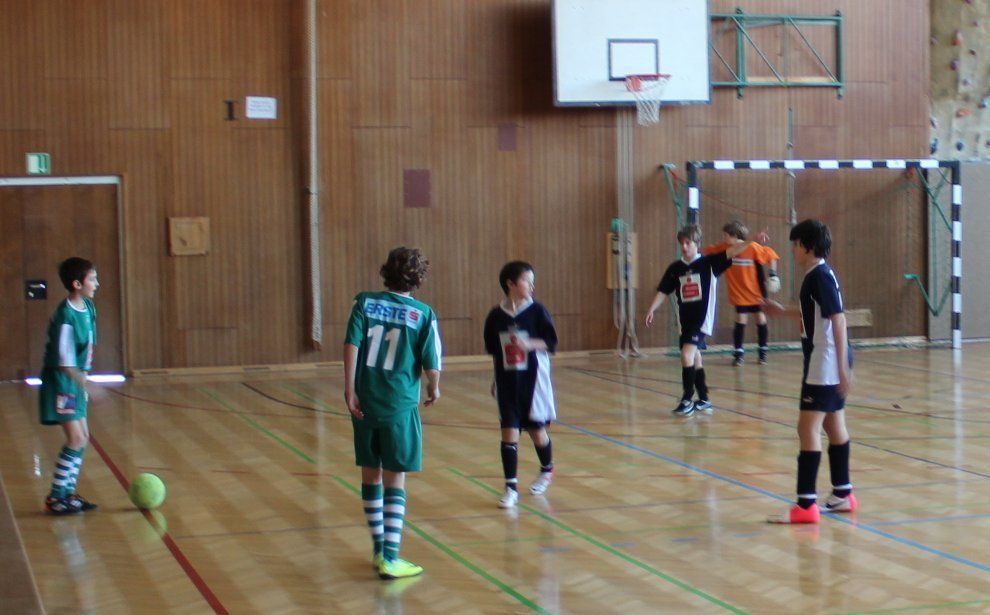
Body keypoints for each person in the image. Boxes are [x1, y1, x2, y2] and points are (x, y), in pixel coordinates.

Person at [344, 247, 442, 579]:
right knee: (395, 478)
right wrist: (434, 387)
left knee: (370, 473)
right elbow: (431, 361)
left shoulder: (364, 302)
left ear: (386, 271)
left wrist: (349, 388)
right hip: (399, 405)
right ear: (418, 278)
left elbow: (352, 344)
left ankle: (377, 549)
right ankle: (390, 556)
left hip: (366, 401)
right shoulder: (423, 314)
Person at [762, 220, 856, 524]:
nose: (792, 250)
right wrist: (781, 311)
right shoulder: (818, 275)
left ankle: (805, 506)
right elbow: (816, 313)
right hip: (828, 359)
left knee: (807, 429)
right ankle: (843, 493)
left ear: (808, 246)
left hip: (825, 361)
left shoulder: (819, 276)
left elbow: (838, 319)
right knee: (833, 424)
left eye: (796, 244)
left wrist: (841, 368)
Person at [644, 225, 756, 417]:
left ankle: (687, 398)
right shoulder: (676, 268)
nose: (684, 246)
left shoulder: (708, 263)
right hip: (685, 321)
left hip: (701, 320)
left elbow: (732, 251)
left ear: (697, 243)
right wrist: (652, 309)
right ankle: (704, 399)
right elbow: (663, 290)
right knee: (695, 358)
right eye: (682, 243)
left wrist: (751, 240)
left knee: (686, 355)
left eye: (688, 243)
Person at [483, 261, 558, 509]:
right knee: (509, 432)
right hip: (507, 381)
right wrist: (495, 378)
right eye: (527, 281)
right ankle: (510, 488)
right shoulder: (496, 316)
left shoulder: (537, 311)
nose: (532, 286)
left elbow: (550, 343)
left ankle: (547, 469)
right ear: (511, 284)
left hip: (533, 380)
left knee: (537, 432)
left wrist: (530, 344)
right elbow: (496, 352)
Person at [39, 257, 100, 515]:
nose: (97, 283)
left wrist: (83, 381)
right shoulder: (66, 315)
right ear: (77, 284)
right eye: (92, 279)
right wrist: (87, 384)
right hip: (62, 383)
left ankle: (68, 493)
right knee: (74, 438)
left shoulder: (88, 307)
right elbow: (64, 362)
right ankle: (55, 496)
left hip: (76, 382)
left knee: (83, 438)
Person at [703, 220, 780, 365]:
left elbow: (771, 255)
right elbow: (708, 251)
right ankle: (738, 354)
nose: (724, 238)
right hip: (739, 293)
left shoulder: (753, 247)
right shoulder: (725, 248)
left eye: (726, 235)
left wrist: (773, 274)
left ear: (734, 235)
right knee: (741, 319)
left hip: (756, 292)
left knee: (761, 319)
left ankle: (762, 352)